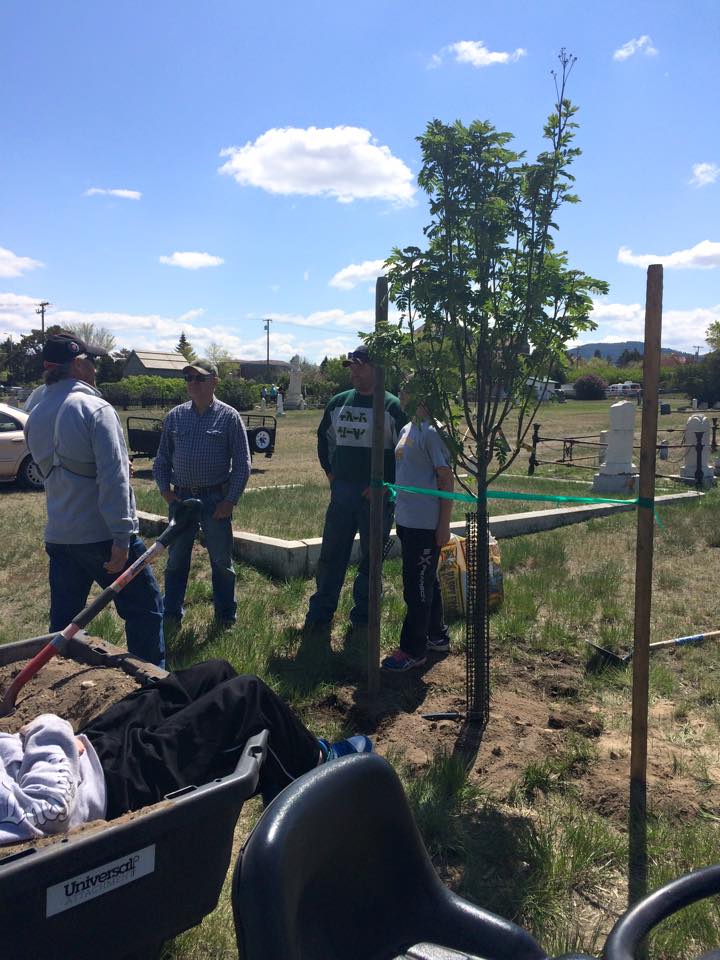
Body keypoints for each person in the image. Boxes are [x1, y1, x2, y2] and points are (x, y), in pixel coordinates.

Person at [0, 658, 372, 844]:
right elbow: (49, 811)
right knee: (248, 697)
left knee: (215, 672)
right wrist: (49, 732)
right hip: (111, 786)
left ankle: (287, 764)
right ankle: (315, 769)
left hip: (76, 756)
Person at [24, 332, 164, 666]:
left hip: (60, 534)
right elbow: (113, 478)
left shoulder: (36, 413)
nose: (96, 369)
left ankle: (54, 681)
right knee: (145, 610)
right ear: (77, 363)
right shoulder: (95, 408)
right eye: (92, 361)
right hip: (101, 534)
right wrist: (121, 536)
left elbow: (58, 470)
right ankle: (152, 685)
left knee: (64, 625)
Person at [304, 345, 407, 634]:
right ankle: (320, 614)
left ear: (377, 368)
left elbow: (404, 453)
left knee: (372, 561)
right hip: (343, 492)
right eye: (352, 366)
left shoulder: (391, 407)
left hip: (378, 497)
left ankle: (364, 617)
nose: (355, 371)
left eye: (360, 365)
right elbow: (325, 440)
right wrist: (331, 475)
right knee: (331, 555)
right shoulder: (338, 403)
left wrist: (386, 486)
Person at [153, 360, 251, 627]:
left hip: (215, 499)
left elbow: (242, 464)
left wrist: (230, 501)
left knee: (221, 561)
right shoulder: (175, 416)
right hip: (182, 500)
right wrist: (166, 492)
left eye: (199, 378)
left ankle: (225, 617)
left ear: (215, 382)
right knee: (176, 560)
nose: (193, 383)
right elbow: (162, 459)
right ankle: (171, 614)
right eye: (189, 378)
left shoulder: (229, 417)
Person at [382, 385, 453, 672]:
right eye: (402, 388)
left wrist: (443, 525)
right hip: (407, 521)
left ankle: (413, 649)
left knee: (416, 587)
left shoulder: (433, 432)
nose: (402, 393)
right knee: (427, 581)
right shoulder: (407, 428)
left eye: (408, 389)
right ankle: (437, 635)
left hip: (425, 524)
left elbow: (446, 480)